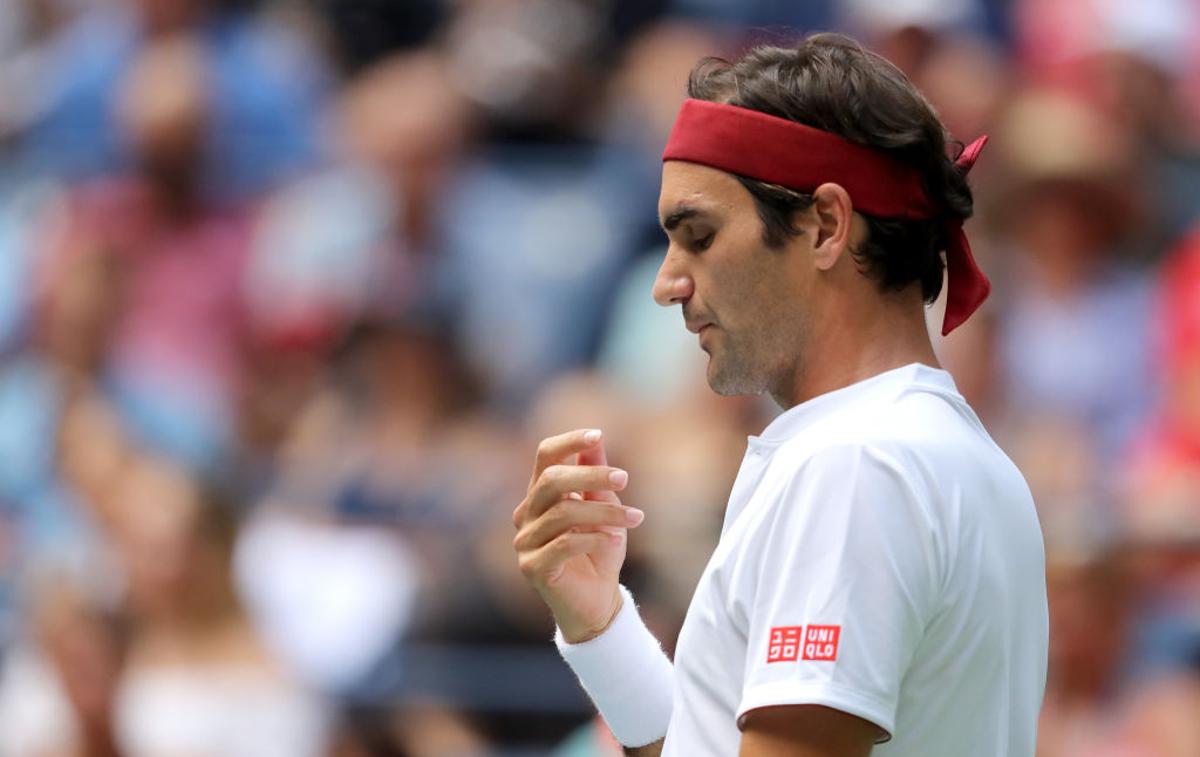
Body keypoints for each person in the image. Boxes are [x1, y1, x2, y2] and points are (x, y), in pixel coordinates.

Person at [511, 33, 1048, 756]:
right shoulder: (928, 449)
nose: (666, 283)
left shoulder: (856, 463)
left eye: (698, 236)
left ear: (825, 225)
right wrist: (600, 624)